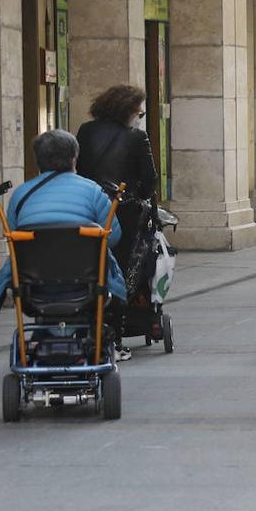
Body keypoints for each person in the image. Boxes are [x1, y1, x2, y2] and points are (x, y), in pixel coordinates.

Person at [0, 129, 127, 311]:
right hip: (85, 284)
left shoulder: (20, 195)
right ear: (74, 158)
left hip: (34, 286)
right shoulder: (93, 191)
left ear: (38, 160)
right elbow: (112, 237)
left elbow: (14, 240)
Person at [77, 85, 157, 361]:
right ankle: (115, 339)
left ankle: (86, 330)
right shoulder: (137, 137)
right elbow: (150, 182)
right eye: (139, 111)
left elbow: (80, 170)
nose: (141, 116)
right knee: (118, 275)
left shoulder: (85, 132)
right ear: (127, 111)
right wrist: (141, 198)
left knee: (89, 270)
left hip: (88, 210)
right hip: (122, 214)